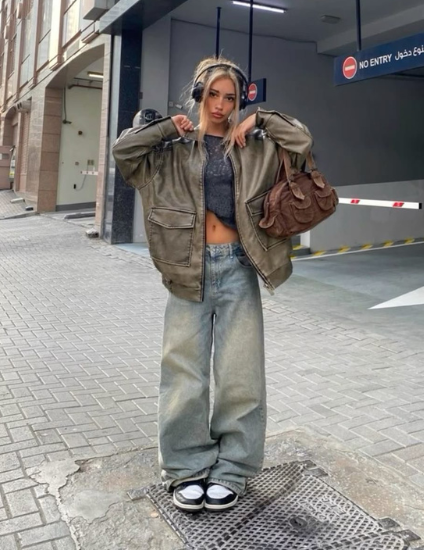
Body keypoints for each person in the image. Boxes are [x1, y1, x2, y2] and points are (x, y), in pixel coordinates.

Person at [112, 57, 312, 513]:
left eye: (231, 97)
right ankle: (186, 467)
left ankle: (233, 469)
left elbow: (301, 141)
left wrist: (259, 120)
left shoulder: (253, 146)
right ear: (199, 94)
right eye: (213, 94)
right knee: (184, 372)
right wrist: (167, 128)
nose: (221, 105)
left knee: (241, 373)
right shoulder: (173, 149)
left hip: (238, 265)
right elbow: (123, 152)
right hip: (188, 269)